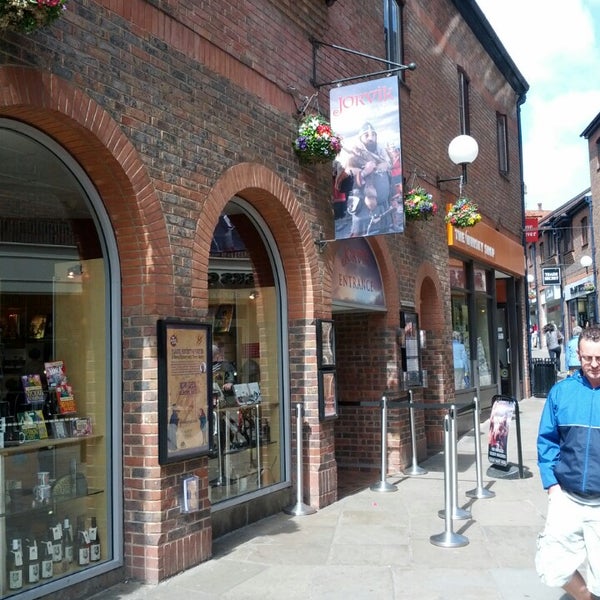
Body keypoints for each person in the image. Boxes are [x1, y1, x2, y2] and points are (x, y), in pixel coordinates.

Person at [536, 326, 600, 600]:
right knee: (552, 568)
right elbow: (547, 440)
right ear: (578, 355)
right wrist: (552, 486)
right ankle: (585, 597)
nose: (594, 365)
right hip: (567, 498)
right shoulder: (561, 392)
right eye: (588, 358)